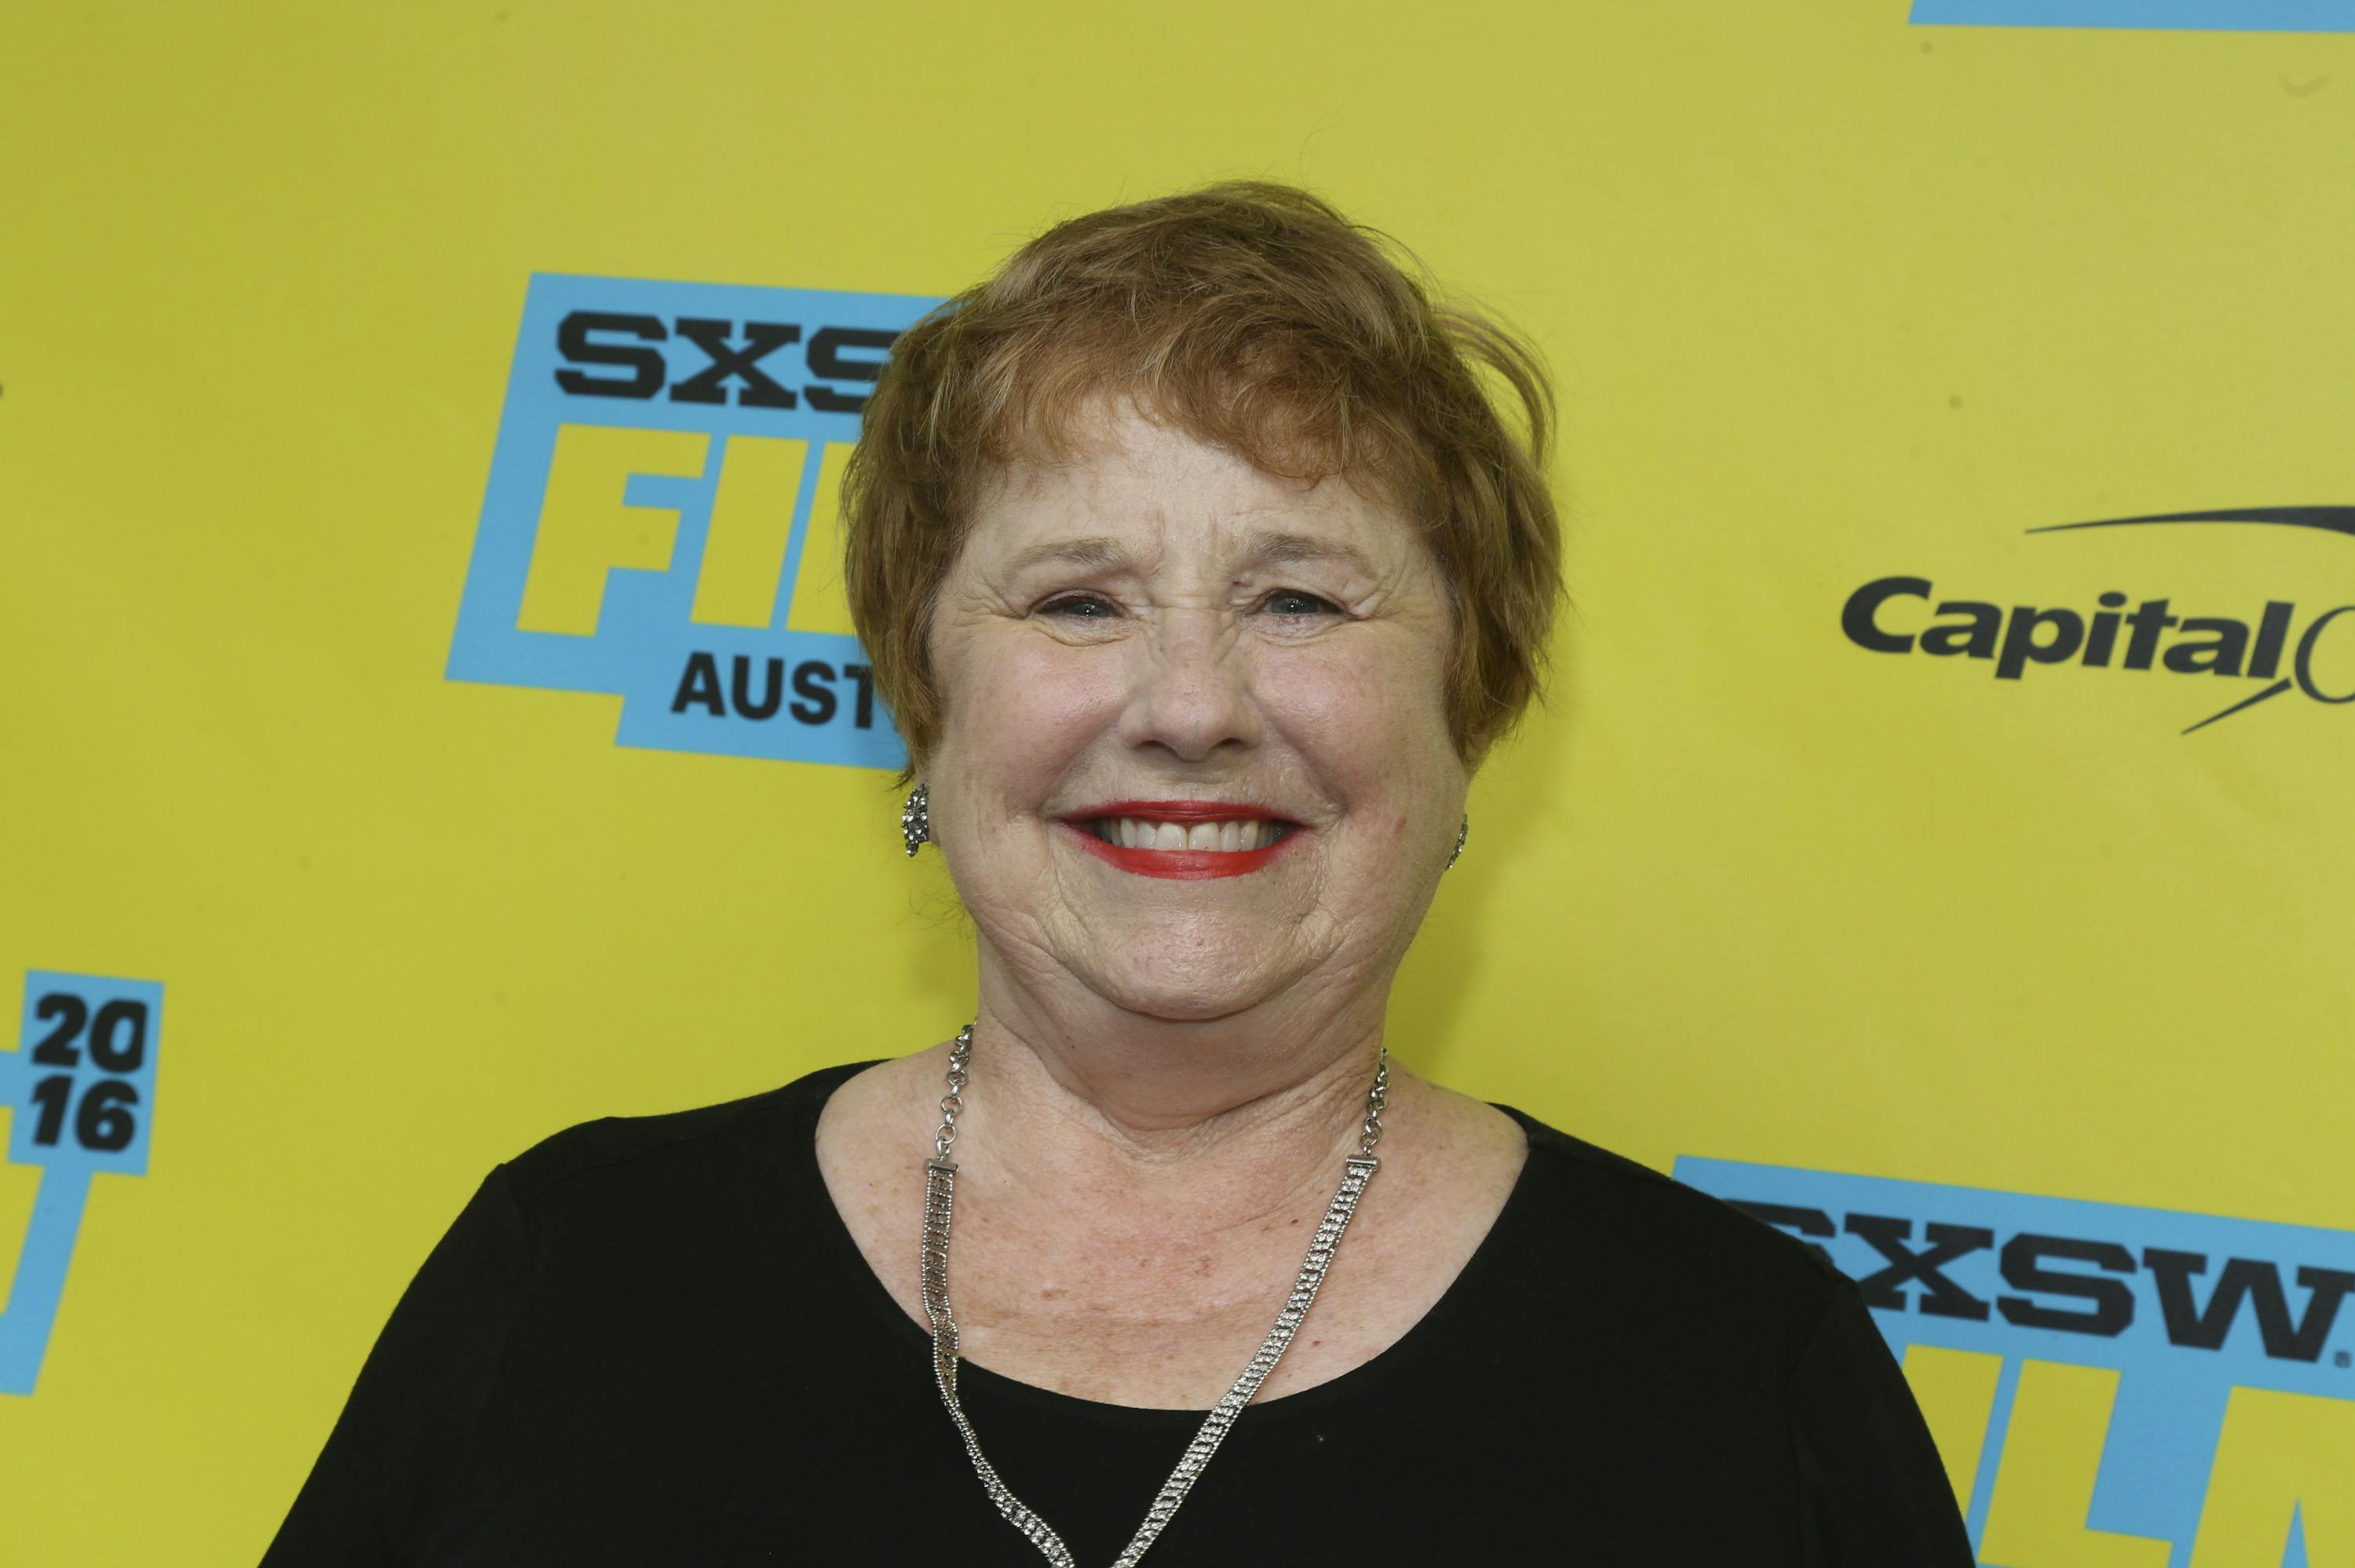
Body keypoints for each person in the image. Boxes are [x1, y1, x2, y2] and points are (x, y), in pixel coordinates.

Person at [261, 181, 1974, 1566]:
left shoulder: (1739, 1372)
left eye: (1299, 599)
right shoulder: (578, 1271)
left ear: (1471, 722)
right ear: (924, 707)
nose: (1188, 707)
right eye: (1079, 599)